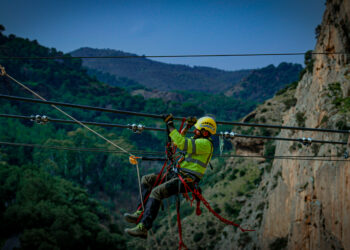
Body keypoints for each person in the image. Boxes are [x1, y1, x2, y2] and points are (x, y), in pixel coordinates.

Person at [124, 114, 216, 239]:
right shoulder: (199, 141)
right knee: (147, 179)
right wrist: (187, 127)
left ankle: (144, 227)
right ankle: (140, 211)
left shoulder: (204, 144)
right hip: (177, 174)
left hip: (187, 180)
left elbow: (182, 143)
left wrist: (170, 124)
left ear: (205, 133)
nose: (195, 131)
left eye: (197, 129)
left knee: (156, 192)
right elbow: (177, 142)